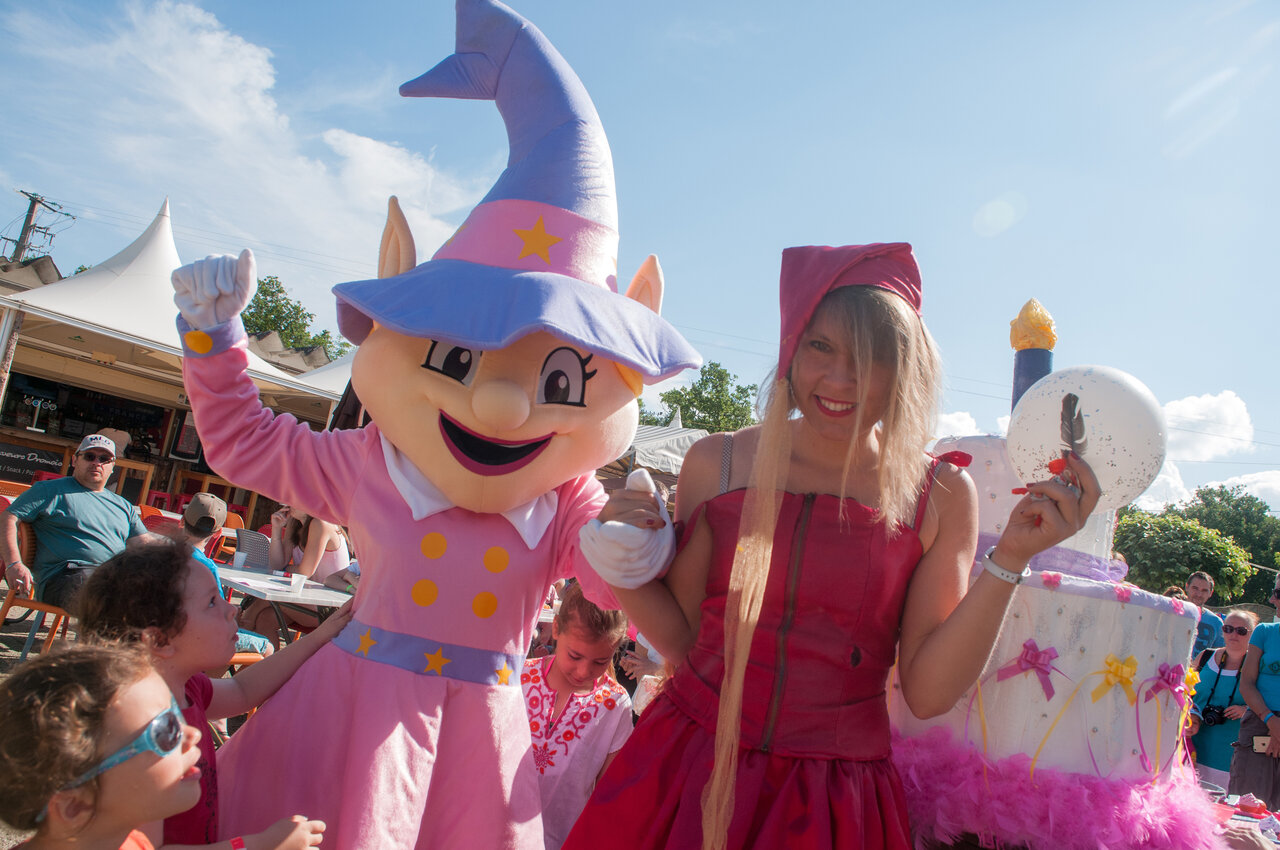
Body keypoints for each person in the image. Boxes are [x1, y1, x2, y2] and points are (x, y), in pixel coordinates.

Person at [565, 243, 1099, 849]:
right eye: (820, 346)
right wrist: (624, 561)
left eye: (870, 359)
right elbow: (685, 642)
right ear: (792, 346)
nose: (840, 380)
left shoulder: (943, 493)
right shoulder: (720, 461)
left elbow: (926, 693)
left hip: (830, 805)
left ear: (905, 370)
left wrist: (1010, 561)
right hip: (683, 771)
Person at [77, 537, 344, 848]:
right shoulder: (142, 733)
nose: (232, 609)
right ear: (160, 641)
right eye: (212, 602)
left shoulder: (187, 687)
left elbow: (244, 690)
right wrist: (260, 845)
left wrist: (319, 637)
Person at [0, 643, 202, 850]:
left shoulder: (130, 841)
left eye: (174, 709)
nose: (193, 733)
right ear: (75, 806)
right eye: (165, 729)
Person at [522, 582, 633, 850]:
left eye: (599, 661)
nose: (583, 672)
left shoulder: (614, 704)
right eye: (574, 655)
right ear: (556, 628)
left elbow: (609, 792)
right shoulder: (519, 678)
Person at [1, 434, 148, 609]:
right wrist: (14, 563)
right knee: (109, 595)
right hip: (66, 577)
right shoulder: (49, 490)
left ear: (112, 466)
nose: (96, 462)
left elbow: (146, 545)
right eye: (89, 456)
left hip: (111, 579)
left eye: (104, 459)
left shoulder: (123, 506)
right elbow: (8, 517)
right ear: (74, 460)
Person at [237, 506, 351, 644]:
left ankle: (234, 640)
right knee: (265, 619)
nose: (286, 502)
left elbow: (304, 572)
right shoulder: (295, 522)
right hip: (305, 599)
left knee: (261, 601)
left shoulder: (320, 523)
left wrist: (286, 569)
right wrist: (277, 530)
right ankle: (259, 662)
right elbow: (276, 565)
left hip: (328, 608)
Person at [179, 493, 273, 657]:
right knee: (268, 647)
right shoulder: (207, 567)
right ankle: (214, 682)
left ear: (181, 521)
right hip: (201, 636)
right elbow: (218, 616)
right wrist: (234, 613)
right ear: (218, 533)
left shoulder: (164, 552)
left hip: (168, 628)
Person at [1188, 609, 1257, 789]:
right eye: (1228, 628)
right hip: (1194, 745)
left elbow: (1272, 703)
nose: (1234, 634)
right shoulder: (1205, 657)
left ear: (1252, 634)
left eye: (1241, 631)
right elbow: (1185, 692)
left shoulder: (1259, 665)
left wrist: (1246, 711)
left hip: (1233, 754)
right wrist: (1192, 714)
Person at [1231, 578, 1280, 808]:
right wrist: (1272, 721)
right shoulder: (1264, 632)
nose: (1272, 599)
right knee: (1246, 808)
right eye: (1275, 592)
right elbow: (1247, 683)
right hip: (1259, 723)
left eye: (1278, 593)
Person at [1187, 571, 1224, 657]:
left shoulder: (1216, 623)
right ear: (1187, 587)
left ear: (1210, 593)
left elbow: (1218, 657)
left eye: (1204, 590)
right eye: (1195, 588)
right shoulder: (1172, 613)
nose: (1199, 594)